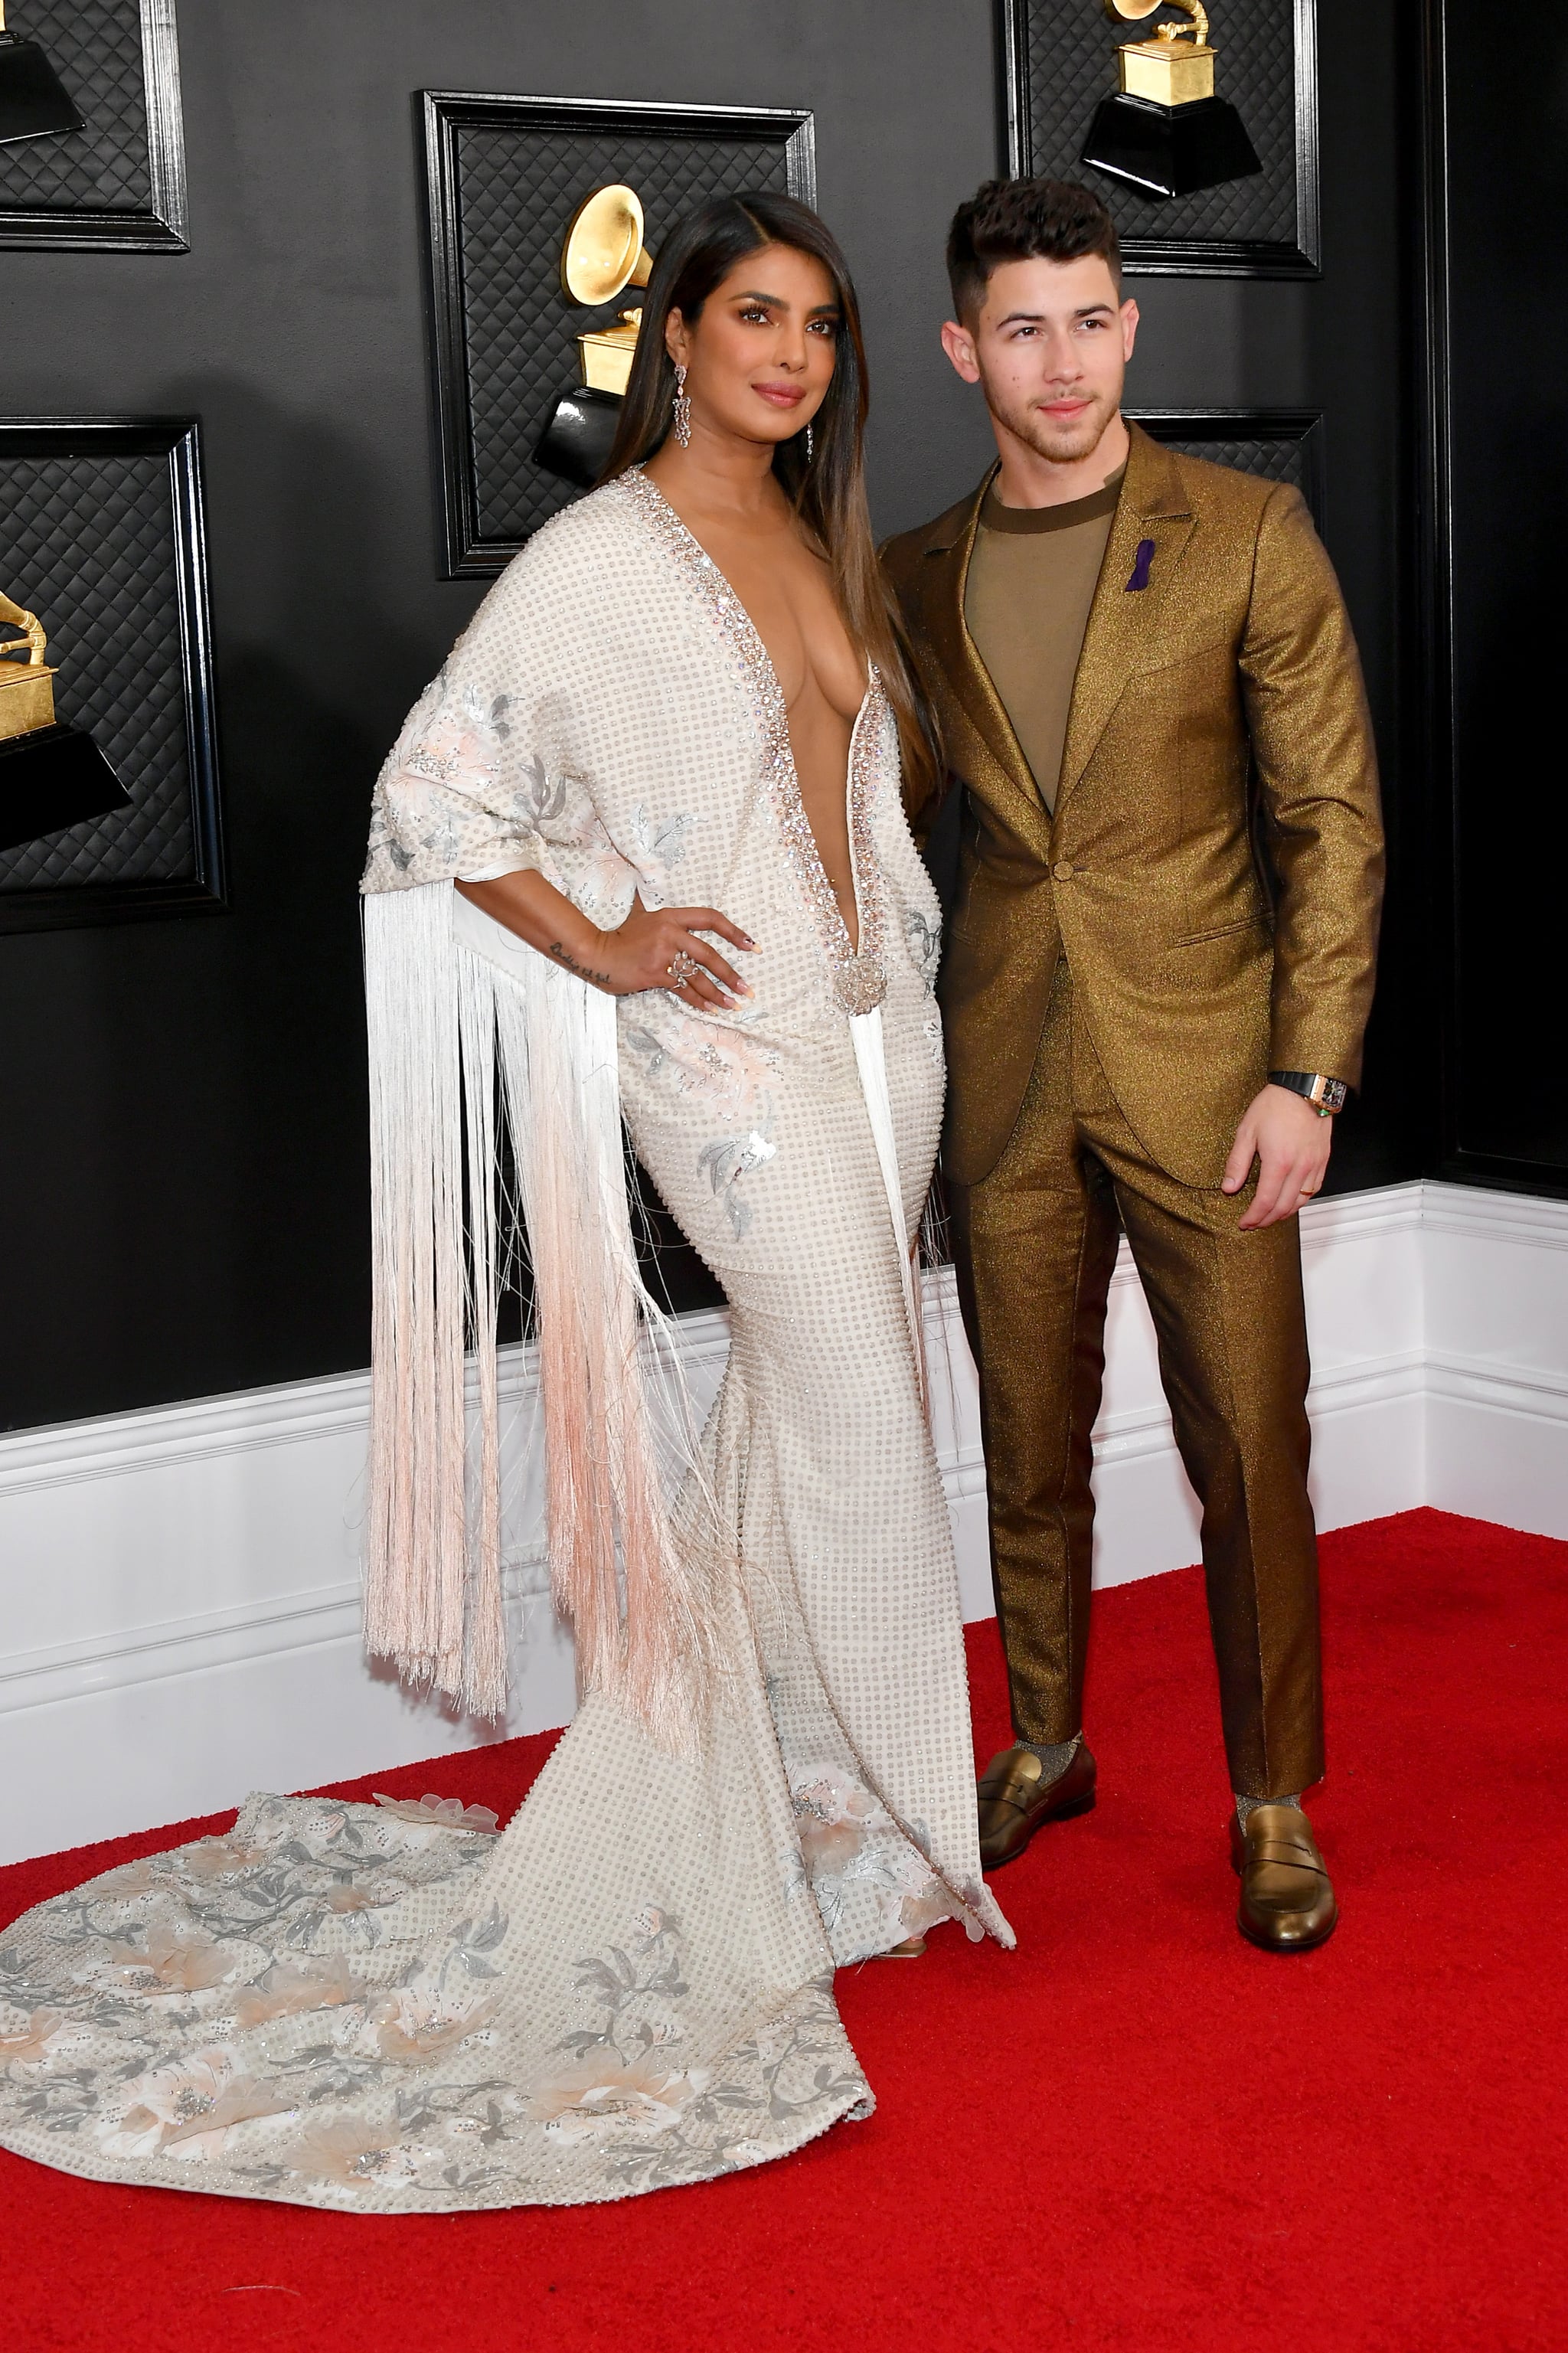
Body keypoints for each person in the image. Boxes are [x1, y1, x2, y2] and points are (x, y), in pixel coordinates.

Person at [0, 192, 1008, 2214]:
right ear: (685, 338)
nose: (789, 355)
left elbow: (848, 805)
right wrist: (619, 945)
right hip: (726, 1072)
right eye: (751, 317)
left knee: (812, 1430)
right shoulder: (598, 557)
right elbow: (430, 801)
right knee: (858, 1421)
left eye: (818, 322)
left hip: (873, 1042)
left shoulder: (817, 536)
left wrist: (882, 980)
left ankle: (802, 1806)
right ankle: (902, 1810)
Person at [882, 178, 1383, 1953]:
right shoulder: (910, 576)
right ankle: (1042, 1738)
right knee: (1027, 1438)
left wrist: (1306, 1073)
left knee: (1246, 1441)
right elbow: (884, 821)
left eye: (1091, 317)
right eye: (1024, 327)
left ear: (1129, 326)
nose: (1065, 358)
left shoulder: (1248, 531)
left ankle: (1269, 1799)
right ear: (964, 351)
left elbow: (1331, 822)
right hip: (1004, 1064)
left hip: (1215, 1076)